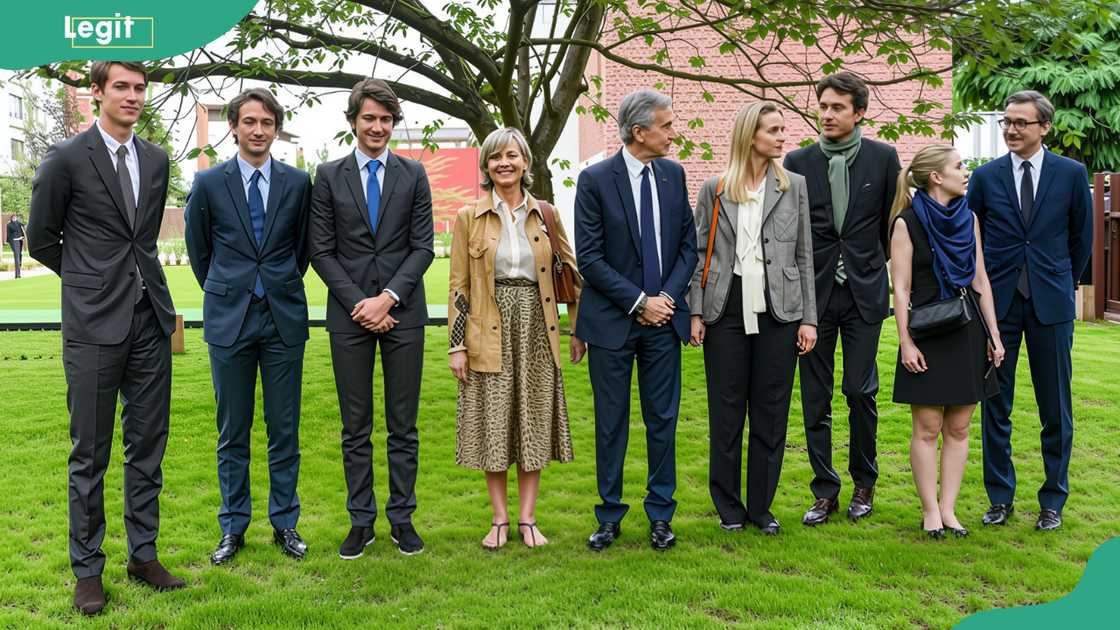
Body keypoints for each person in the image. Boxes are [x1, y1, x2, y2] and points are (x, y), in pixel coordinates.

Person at [28, 61, 184, 615]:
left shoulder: (157, 158)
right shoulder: (66, 158)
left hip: (150, 320)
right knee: (89, 453)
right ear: (96, 93)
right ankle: (87, 571)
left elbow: (141, 239)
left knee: (148, 449)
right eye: (122, 86)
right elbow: (45, 238)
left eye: (141, 88)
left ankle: (144, 555)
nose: (134, 96)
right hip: (94, 325)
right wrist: (92, 281)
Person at [185, 88, 313, 565]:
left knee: (284, 429)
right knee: (232, 430)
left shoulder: (299, 183)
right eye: (250, 122)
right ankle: (233, 527)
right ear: (234, 127)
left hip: (282, 317)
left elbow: (302, 250)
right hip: (229, 318)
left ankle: (285, 522)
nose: (258, 130)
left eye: (267, 122)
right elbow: (200, 252)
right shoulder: (210, 183)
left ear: (275, 129)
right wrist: (228, 288)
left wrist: (273, 284)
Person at [310, 78, 434, 558]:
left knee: (403, 426)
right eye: (369, 118)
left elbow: (423, 246)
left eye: (386, 119)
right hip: (349, 317)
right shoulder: (327, 175)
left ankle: (402, 518)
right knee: (355, 426)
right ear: (353, 121)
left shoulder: (413, 174)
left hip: (404, 314)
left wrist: (387, 298)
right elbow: (320, 250)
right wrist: (362, 304)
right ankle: (360, 521)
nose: (378, 127)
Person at [448, 127, 586, 549]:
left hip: (537, 326)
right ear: (486, 166)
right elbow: (459, 287)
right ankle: (500, 520)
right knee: (494, 423)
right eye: (495, 157)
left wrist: (577, 330)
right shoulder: (469, 217)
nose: (504, 163)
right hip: (486, 327)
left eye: (511, 155)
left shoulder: (545, 213)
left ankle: (528, 520)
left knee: (533, 420)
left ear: (525, 161)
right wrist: (457, 345)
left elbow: (572, 275)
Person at [575, 90, 698, 551]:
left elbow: (688, 245)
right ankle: (609, 515)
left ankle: (661, 515)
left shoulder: (673, 174)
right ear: (639, 131)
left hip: (664, 322)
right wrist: (639, 301)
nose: (673, 133)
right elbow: (589, 258)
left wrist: (665, 298)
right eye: (667, 125)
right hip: (612, 323)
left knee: (662, 419)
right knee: (611, 422)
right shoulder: (595, 181)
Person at [689, 101, 817, 536]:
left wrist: (809, 319)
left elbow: (804, 254)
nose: (784, 137)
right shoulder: (715, 188)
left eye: (783, 129)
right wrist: (695, 310)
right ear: (751, 136)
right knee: (726, 412)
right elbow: (698, 254)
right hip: (724, 308)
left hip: (780, 310)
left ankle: (761, 508)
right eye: (774, 130)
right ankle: (728, 507)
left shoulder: (794, 185)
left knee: (771, 410)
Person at [967, 91, 1092, 531]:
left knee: (1055, 406)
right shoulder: (984, 177)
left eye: (1021, 122)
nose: (1011, 130)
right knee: (995, 404)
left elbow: (1082, 239)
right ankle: (1000, 498)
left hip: (1051, 305)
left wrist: (1061, 282)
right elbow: (972, 241)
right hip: (997, 306)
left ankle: (1052, 500)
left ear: (1044, 127)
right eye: (1007, 122)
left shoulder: (1072, 174)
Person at [783, 72, 900, 526]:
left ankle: (864, 483)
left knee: (859, 389)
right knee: (815, 395)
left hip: (865, 296)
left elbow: (892, 226)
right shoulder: (797, 161)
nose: (827, 114)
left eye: (837, 108)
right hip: (812, 298)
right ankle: (824, 489)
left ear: (859, 113)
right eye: (823, 106)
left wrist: (870, 266)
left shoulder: (883, 158)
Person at [889, 144, 1005, 539]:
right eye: (958, 166)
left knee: (958, 426)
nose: (965, 171)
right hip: (925, 329)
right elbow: (900, 289)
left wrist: (994, 333)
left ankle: (949, 510)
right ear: (936, 176)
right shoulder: (907, 223)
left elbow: (980, 280)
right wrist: (905, 341)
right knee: (927, 424)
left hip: (967, 327)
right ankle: (929, 512)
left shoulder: (969, 217)